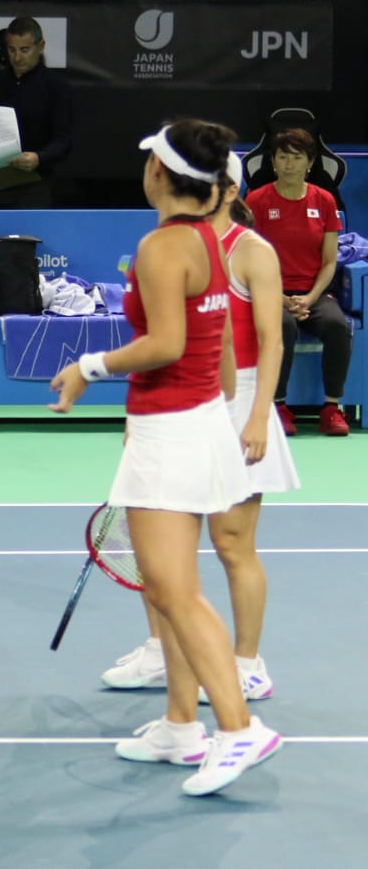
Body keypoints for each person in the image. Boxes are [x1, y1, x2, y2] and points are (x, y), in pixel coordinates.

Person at [51, 119, 282, 798]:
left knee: (176, 594)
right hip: (192, 422)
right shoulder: (212, 239)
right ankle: (181, 725)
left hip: (172, 430)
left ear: (159, 172)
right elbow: (220, 346)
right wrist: (212, 407)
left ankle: (238, 728)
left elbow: (167, 345)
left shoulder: (160, 246)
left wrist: (87, 366)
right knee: (167, 588)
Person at [102, 149, 298, 702]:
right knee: (160, 550)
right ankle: (162, 652)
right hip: (178, 402)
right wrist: (138, 415)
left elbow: (270, 341)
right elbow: (158, 340)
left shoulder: (252, 251)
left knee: (232, 544)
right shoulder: (172, 247)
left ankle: (248, 663)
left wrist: (257, 417)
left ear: (229, 191)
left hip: (241, 401)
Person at [246, 127, 352, 435]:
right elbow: (249, 259)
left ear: (310, 162)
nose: (289, 164)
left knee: (337, 326)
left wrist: (309, 297)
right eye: (283, 157)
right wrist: (280, 299)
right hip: (270, 293)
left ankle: (331, 408)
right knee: (283, 325)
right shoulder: (256, 200)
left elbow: (329, 261)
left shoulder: (325, 200)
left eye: (297, 157)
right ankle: (278, 406)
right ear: (273, 162)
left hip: (314, 293)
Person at [0, 16, 74, 209]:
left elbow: (63, 139)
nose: (17, 57)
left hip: (35, 183)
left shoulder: (56, 87)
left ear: (41, 47)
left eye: (24, 50)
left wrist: (39, 158)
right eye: (11, 50)